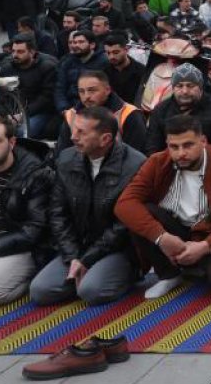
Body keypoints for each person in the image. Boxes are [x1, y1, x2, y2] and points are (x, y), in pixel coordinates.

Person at [116, 115, 211, 298]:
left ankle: (196, 264)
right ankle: (168, 274)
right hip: (172, 228)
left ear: (203, 141)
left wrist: (205, 246)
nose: (181, 153)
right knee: (140, 212)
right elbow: (124, 204)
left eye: (188, 145)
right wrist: (161, 238)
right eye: (174, 147)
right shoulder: (157, 162)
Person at [31, 107, 144, 305]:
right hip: (78, 246)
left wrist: (87, 260)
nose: (73, 137)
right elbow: (57, 213)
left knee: (91, 291)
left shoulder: (135, 165)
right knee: (40, 291)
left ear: (105, 139)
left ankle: (124, 274)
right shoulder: (66, 159)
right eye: (74, 129)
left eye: (82, 132)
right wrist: (73, 256)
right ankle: (84, 276)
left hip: (117, 248)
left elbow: (123, 225)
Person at [0, 118, 52, 306]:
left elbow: (35, 230)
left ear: (12, 142)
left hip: (19, 248)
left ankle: (28, 279)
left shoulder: (35, 173)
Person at [145, 64, 211, 153]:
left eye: (190, 86)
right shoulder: (160, 111)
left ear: (200, 88)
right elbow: (152, 148)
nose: (185, 91)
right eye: (179, 86)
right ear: (173, 88)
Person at [56, 70, 147, 154]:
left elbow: (136, 157)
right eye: (81, 91)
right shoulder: (71, 115)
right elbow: (62, 153)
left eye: (92, 90)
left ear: (107, 90)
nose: (86, 96)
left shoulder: (129, 114)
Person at [2, 34, 59, 139]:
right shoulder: (7, 66)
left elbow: (46, 98)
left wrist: (23, 114)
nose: (15, 55)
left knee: (21, 132)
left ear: (32, 52)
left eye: (20, 52)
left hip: (40, 111)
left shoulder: (48, 66)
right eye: (13, 51)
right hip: (13, 109)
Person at [54, 29, 107, 116]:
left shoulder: (103, 62)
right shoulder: (68, 61)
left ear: (92, 45)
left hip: (91, 107)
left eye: (81, 42)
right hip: (68, 108)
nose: (76, 45)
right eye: (74, 42)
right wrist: (63, 108)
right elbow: (60, 87)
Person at [102, 32, 145, 107]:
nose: (111, 56)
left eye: (116, 52)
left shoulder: (141, 71)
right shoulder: (103, 71)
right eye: (108, 53)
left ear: (126, 49)